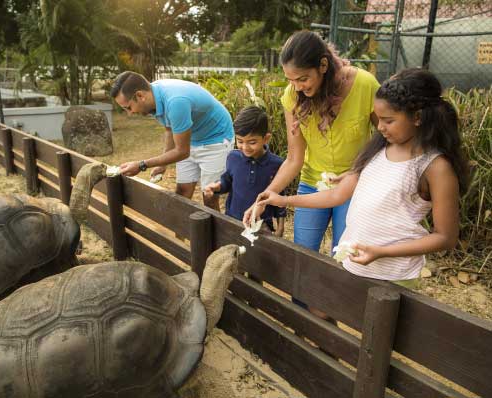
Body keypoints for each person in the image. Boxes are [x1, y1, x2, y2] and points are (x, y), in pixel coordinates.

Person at [256, 68, 469, 287]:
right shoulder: (379, 150)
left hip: (393, 275)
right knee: (321, 310)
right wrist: (283, 200)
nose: (380, 127)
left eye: (388, 120)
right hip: (356, 263)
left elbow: (445, 237)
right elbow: (337, 195)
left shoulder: (436, 167)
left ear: (417, 117)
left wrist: (382, 252)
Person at [243, 30, 380, 314]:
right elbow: (294, 158)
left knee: (343, 261)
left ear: (323, 65)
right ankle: (302, 323)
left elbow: (387, 136)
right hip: (311, 183)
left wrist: (365, 171)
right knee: (301, 259)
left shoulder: (365, 85)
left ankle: (332, 328)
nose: (297, 87)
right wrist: (267, 195)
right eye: (290, 80)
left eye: (303, 78)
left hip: (356, 186)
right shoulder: (292, 96)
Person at [110, 71, 234, 211]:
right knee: (182, 192)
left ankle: (215, 233)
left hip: (216, 139)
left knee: (209, 197)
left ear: (140, 95)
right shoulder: (153, 97)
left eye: (128, 107)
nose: (129, 113)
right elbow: (169, 128)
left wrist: (142, 165)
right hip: (192, 138)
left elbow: (182, 152)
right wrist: (163, 164)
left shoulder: (175, 102)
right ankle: (180, 232)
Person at [204, 106, 286, 237]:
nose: (245, 147)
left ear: (266, 138)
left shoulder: (277, 164)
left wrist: (280, 227)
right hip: (232, 220)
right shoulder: (233, 157)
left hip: (261, 224)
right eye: (240, 141)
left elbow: (280, 196)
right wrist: (217, 187)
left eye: (252, 142)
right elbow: (227, 182)